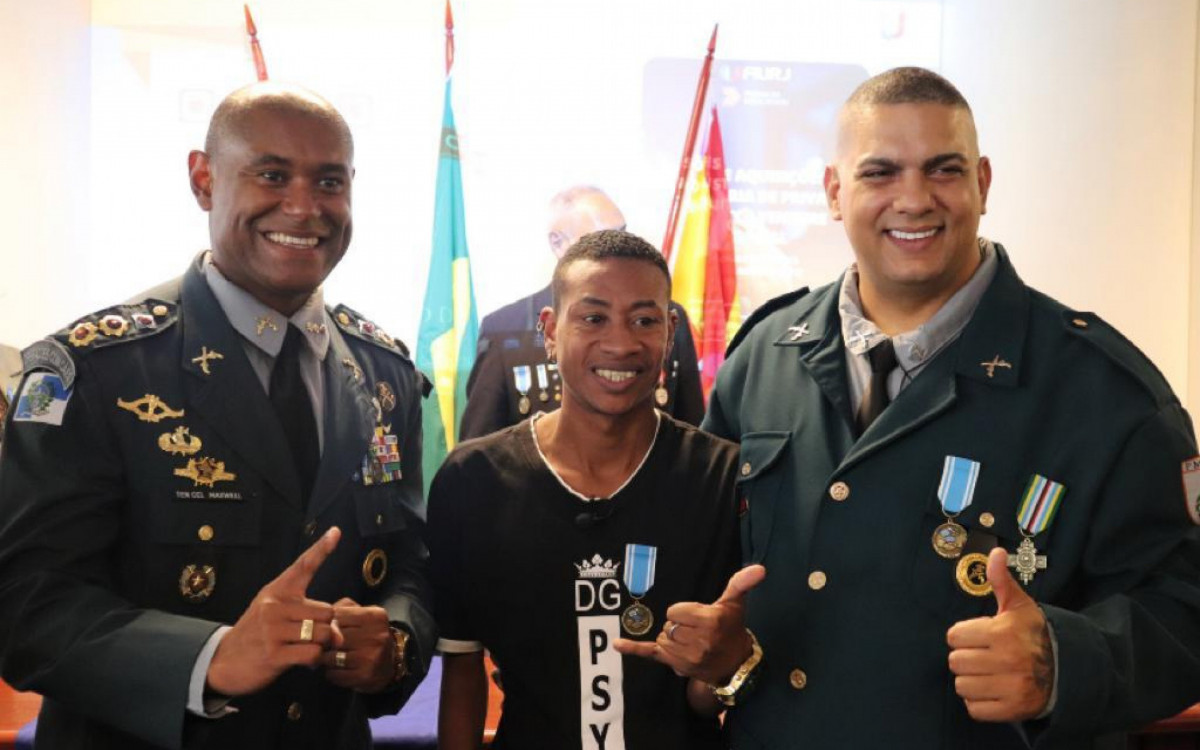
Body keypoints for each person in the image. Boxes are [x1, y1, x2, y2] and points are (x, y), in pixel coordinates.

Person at [618, 67, 1200, 748]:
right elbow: (709, 576)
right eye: (881, 173)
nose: (915, 200)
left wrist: (1066, 662)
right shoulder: (763, 357)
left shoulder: (1101, 390)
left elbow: (1185, 610)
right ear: (835, 192)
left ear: (983, 181)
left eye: (943, 170)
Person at [0, 83, 435, 749]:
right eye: (271, 174)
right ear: (204, 180)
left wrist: (396, 642)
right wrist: (209, 659)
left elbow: (409, 561)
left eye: (329, 181)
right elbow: (26, 604)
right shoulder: (96, 371)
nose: (304, 206)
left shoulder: (386, 375)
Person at [428, 229, 740, 749]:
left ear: (668, 331)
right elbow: (462, 670)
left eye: (644, 320)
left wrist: (724, 663)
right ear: (550, 330)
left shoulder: (720, 478)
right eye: (593, 318)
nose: (620, 343)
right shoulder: (474, 481)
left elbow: (706, 694)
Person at [458, 186, 705, 440]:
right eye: (600, 238)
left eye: (622, 232)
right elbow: (480, 453)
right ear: (558, 243)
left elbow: (692, 436)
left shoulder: (664, 316)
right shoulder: (506, 328)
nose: (618, 246)